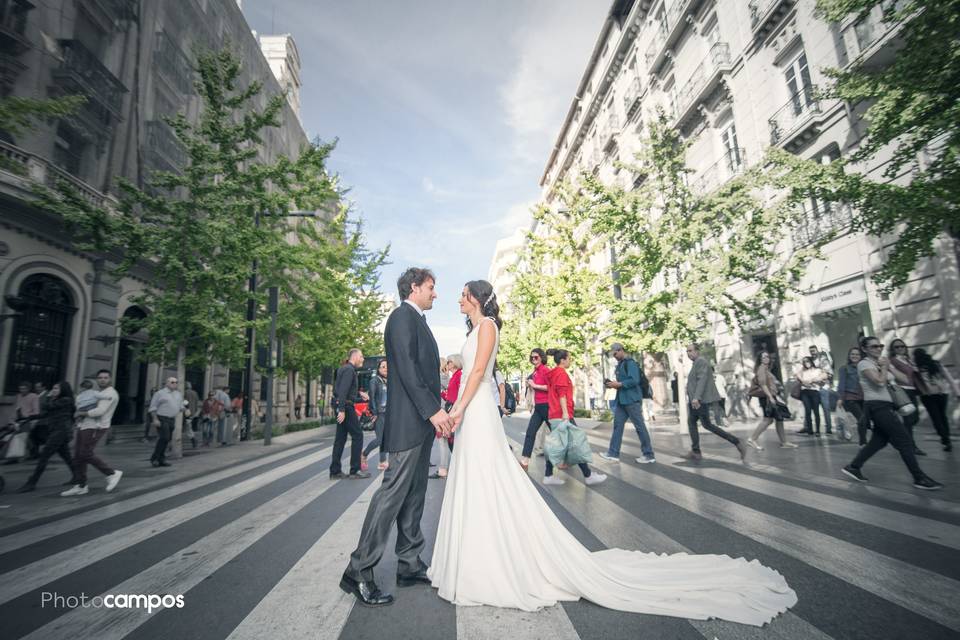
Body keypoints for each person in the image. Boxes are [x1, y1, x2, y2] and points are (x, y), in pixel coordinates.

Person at [427, 280, 796, 625]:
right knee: (479, 480)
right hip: (471, 413)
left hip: (475, 412)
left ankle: (496, 559)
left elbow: (478, 373)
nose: (458, 299)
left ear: (476, 297)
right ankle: (481, 557)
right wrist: (460, 409)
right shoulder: (474, 330)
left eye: (463, 294)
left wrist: (457, 409)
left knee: (490, 479)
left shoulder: (488, 326)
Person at [341, 267, 454, 607]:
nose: (436, 293)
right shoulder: (402, 316)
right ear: (415, 287)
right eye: (432, 287)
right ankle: (358, 570)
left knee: (415, 494)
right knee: (391, 495)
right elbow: (405, 368)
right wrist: (433, 410)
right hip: (410, 422)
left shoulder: (416, 319)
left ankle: (409, 562)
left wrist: (432, 413)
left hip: (419, 423)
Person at [842, 337, 942, 490]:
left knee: (879, 441)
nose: (878, 348)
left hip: (887, 405)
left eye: (880, 346)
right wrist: (885, 367)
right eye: (874, 346)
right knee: (905, 441)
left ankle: (854, 466)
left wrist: (889, 366)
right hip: (877, 406)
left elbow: (906, 380)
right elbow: (880, 382)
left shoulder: (880, 362)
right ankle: (919, 478)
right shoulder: (864, 364)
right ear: (865, 349)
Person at [543, 349, 606, 486]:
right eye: (569, 358)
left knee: (561, 445)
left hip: (556, 414)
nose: (570, 361)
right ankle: (588, 476)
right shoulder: (560, 373)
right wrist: (566, 413)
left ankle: (549, 475)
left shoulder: (553, 373)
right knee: (576, 444)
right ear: (563, 360)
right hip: (562, 415)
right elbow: (562, 395)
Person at [62, 369, 122, 496]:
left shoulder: (110, 393)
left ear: (110, 379)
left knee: (85, 453)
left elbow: (100, 411)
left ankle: (111, 473)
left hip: (96, 426)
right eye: (100, 377)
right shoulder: (98, 392)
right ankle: (80, 485)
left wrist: (80, 413)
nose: (102, 380)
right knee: (78, 455)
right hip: (85, 425)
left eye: (105, 377)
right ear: (96, 379)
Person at [684, 344, 747, 462]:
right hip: (696, 400)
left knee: (699, 424)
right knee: (702, 424)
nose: (689, 353)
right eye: (687, 351)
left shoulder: (700, 362)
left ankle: (736, 442)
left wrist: (696, 398)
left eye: (691, 351)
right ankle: (696, 451)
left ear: (697, 351)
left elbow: (701, 380)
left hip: (698, 401)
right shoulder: (696, 363)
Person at [17, 381, 77, 492]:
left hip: (61, 432)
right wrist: (30, 417)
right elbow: (45, 413)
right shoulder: (58, 401)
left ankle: (32, 482)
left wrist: (48, 397)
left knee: (44, 456)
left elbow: (47, 406)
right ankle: (77, 477)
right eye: (53, 388)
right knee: (66, 456)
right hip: (56, 431)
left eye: (56, 389)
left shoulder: (66, 400)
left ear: (63, 390)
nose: (53, 391)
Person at [601, 343, 655, 464]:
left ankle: (649, 454)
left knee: (640, 427)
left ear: (621, 350)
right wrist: (613, 384)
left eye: (615, 353)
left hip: (632, 400)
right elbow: (623, 381)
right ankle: (613, 453)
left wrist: (619, 384)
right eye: (613, 354)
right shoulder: (620, 365)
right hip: (622, 400)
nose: (614, 356)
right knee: (617, 426)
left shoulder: (630, 363)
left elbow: (634, 380)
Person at [330, 349, 371, 480]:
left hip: (342, 404)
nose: (363, 359)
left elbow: (344, 388)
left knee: (340, 439)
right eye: (361, 356)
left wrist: (359, 393)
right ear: (354, 357)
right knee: (358, 435)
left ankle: (335, 471)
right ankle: (355, 469)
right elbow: (343, 390)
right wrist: (341, 409)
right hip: (346, 407)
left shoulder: (344, 368)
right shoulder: (349, 370)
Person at [746, 352, 797, 450]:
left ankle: (784, 442)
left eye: (767, 356)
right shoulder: (761, 369)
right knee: (768, 420)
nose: (766, 358)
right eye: (763, 357)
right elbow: (763, 385)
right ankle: (752, 439)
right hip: (766, 398)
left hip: (771, 396)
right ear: (760, 359)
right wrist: (770, 397)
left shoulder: (766, 369)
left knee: (779, 418)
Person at [914, 348, 957, 452]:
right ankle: (946, 440)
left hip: (927, 396)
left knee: (936, 418)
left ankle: (945, 439)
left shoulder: (916, 368)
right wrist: (957, 392)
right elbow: (949, 378)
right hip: (942, 394)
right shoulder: (936, 364)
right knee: (943, 417)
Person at [888, 338, 925, 455]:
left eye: (902, 346)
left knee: (915, 418)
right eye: (897, 347)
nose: (900, 348)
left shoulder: (908, 360)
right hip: (902, 391)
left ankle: (899, 436)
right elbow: (891, 374)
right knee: (908, 420)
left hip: (912, 391)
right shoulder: (892, 360)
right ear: (893, 350)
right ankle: (911, 447)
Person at [520, 348, 551, 471]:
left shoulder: (545, 370)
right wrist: (530, 384)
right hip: (538, 407)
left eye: (536, 357)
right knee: (530, 433)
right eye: (532, 357)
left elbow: (550, 387)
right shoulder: (535, 372)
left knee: (558, 434)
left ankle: (571, 458)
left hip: (547, 406)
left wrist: (535, 385)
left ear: (542, 357)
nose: (533, 359)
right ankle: (524, 461)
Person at [432, 354, 461, 479]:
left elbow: (459, 395)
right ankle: (452, 467)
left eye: (449, 362)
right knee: (448, 441)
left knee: (445, 440)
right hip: (449, 408)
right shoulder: (454, 375)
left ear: (454, 363)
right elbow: (450, 394)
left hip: (451, 410)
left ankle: (444, 469)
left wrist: (454, 410)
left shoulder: (458, 375)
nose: (447, 365)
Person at [148, 377, 185, 467]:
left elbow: (181, 406)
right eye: (172, 382)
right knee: (164, 437)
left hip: (172, 419)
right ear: (167, 383)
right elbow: (153, 407)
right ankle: (155, 458)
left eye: (176, 382)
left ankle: (161, 458)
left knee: (167, 439)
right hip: (162, 418)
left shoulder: (178, 394)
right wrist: (155, 419)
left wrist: (185, 409)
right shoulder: (159, 393)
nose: (175, 384)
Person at [362, 359, 389, 471]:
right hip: (379, 413)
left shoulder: (388, 381)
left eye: (387, 366)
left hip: (388, 413)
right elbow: (372, 397)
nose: (385, 368)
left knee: (385, 439)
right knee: (379, 439)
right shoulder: (375, 381)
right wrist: (374, 412)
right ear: (378, 369)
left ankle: (382, 462)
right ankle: (364, 455)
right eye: (383, 366)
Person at [4, 381, 39, 463]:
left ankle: (31, 451)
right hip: (19, 420)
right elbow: (15, 409)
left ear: (28, 389)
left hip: (28, 420)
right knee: (18, 438)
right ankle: (16, 456)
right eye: (20, 388)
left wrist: (28, 417)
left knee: (23, 438)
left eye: (24, 389)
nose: (22, 390)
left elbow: (36, 411)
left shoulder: (34, 396)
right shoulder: (18, 396)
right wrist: (12, 420)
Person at [836, 348, 865, 444]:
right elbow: (842, 384)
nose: (855, 356)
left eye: (857, 354)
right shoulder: (844, 368)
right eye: (852, 354)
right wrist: (840, 398)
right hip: (850, 397)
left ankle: (863, 439)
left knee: (864, 419)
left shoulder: (864, 367)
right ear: (849, 356)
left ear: (861, 356)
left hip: (863, 397)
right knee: (861, 418)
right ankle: (862, 441)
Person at [797, 357, 827, 436]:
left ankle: (817, 430)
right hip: (805, 392)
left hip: (814, 392)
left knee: (816, 411)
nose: (806, 363)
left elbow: (824, 376)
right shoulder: (802, 371)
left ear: (811, 361)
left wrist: (813, 380)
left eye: (807, 361)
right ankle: (810, 430)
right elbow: (798, 375)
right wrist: (803, 381)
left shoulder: (817, 370)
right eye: (804, 362)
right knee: (808, 411)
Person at [809, 345, 834, 434]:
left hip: (823, 387)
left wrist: (815, 379)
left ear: (817, 350)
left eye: (814, 351)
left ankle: (829, 428)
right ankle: (815, 429)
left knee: (826, 408)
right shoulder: (809, 361)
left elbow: (829, 373)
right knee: (813, 409)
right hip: (813, 388)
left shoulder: (823, 359)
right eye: (811, 351)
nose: (812, 353)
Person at [184, 382, 200, 449]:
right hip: (192, 413)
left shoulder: (184, 393)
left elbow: (184, 403)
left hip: (185, 413)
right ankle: (194, 440)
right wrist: (196, 412)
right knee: (188, 427)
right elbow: (197, 403)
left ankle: (194, 440)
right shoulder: (195, 393)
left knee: (188, 428)